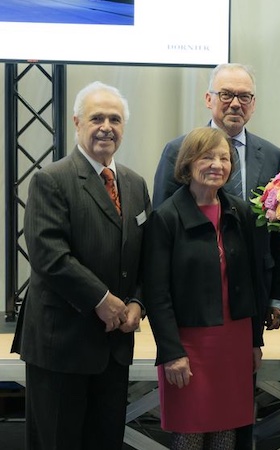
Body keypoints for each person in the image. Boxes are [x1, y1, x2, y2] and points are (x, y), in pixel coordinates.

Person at [152, 63, 280, 449]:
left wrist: (275, 297)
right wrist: (170, 344)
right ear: (209, 98)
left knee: (232, 426)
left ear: (253, 103)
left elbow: (275, 235)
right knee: (192, 429)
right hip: (191, 320)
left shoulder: (271, 155)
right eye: (226, 94)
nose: (235, 103)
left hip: (241, 316)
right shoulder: (175, 151)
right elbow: (160, 245)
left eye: (243, 96)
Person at [11, 81, 150, 449]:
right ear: (76, 122)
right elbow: (48, 255)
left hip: (114, 348)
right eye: (97, 117)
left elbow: (144, 256)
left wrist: (138, 302)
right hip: (62, 345)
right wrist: (102, 300)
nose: (107, 126)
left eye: (115, 119)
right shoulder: (50, 180)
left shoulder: (135, 185)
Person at [143, 127, 266, 449]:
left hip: (235, 341)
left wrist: (255, 341)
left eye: (224, 158)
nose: (217, 164)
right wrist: (171, 352)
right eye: (207, 156)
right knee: (190, 433)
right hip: (188, 346)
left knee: (226, 432)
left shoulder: (240, 212)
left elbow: (253, 282)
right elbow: (157, 294)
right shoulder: (166, 217)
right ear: (188, 163)